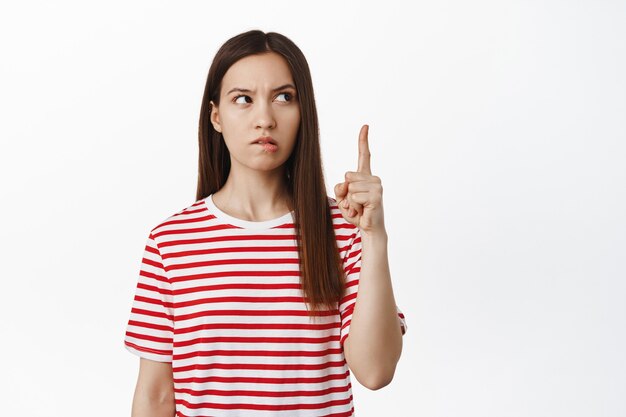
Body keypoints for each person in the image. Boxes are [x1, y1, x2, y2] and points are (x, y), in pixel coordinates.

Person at [124, 29, 408, 417]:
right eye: (243, 99)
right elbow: (155, 396)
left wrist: (374, 237)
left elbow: (376, 372)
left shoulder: (343, 230)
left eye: (284, 97)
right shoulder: (171, 242)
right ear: (216, 116)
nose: (265, 119)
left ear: (303, 112)